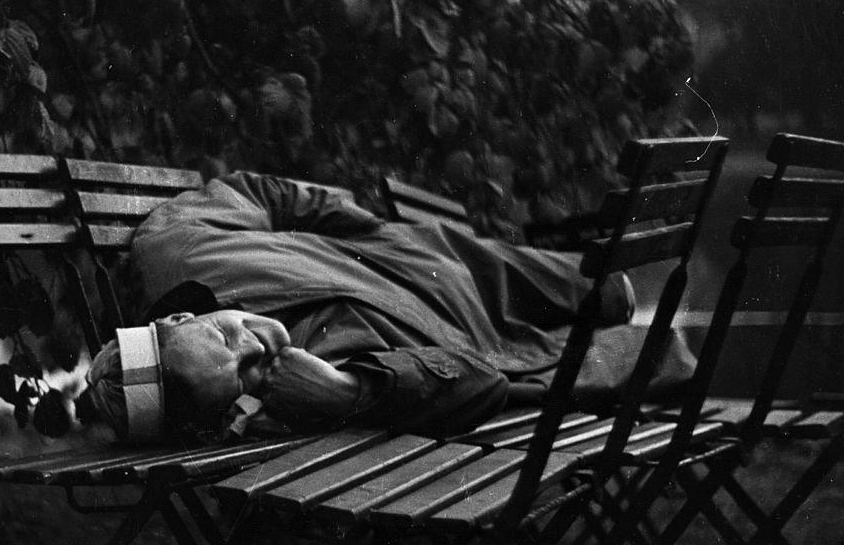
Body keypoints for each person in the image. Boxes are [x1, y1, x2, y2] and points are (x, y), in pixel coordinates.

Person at [83, 171, 695, 444]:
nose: (256, 348)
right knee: (656, 352)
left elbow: (261, 191)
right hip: (473, 333)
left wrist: (363, 228)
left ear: (176, 320)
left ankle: (594, 292)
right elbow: (475, 383)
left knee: (614, 289)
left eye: (226, 339)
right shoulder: (298, 384)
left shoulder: (177, 245)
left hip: (429, 261)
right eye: (241, 376)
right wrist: (351, 393)